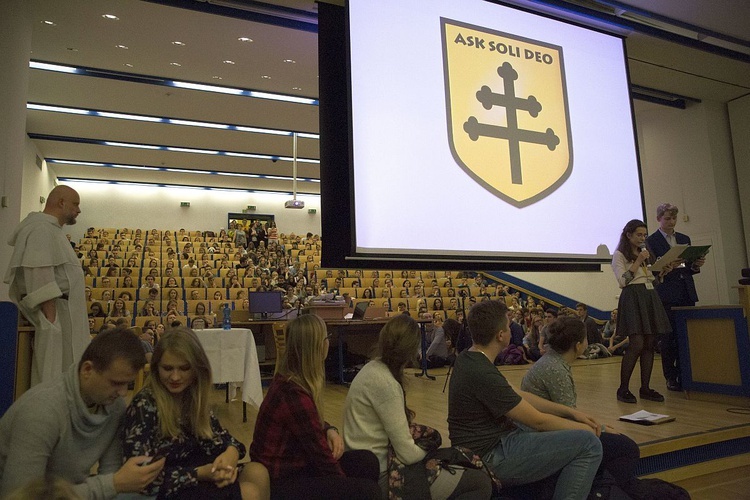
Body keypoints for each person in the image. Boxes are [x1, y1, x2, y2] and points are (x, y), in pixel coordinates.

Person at [448, 300, 602, 499]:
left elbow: (519, 395)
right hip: (488, 455)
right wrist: (590, 429)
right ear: (501, 335)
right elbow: (538, 420)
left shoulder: (470, 358)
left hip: (489, 445)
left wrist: (572, 413)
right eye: (508, 325)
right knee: (589, 443)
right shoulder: (481, 371)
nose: (511, 329)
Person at [0, 326, 163, 498]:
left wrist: (114, 484)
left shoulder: (114, 406)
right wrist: (113, 484)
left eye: (127, 384)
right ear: (87, 370)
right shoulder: (41, 410)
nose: (123, 393)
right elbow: (20, 496)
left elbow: (111, 475)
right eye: (116, 383)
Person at [343, 315, 491, 499]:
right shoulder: (385, 383)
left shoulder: (372, 368)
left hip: (367, 465)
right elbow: (407, 455)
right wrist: (429, 450)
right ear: (411, 348)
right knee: (479, 483)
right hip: (381, 473)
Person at [123, 328, 269, 499]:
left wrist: (231, 453)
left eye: (184, 368)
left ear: (196, 368)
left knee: (257, 472)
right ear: (156, 368)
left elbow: (224, 439)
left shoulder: (192, 396)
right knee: (250, 493)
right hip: (168, 486)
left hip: (200, 472)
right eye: (167, 368)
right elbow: (141, 478)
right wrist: (200, 473)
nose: (175, 377)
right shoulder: (144, 404)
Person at [250, 315, 380, 500]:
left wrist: (330, 430)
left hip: (294, 466)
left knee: (367, 461)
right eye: (326, 337)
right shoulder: (293, 393)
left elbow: (310, 425)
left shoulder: (292, 381)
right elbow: (322, 459)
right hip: (280, 481)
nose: (328, 341)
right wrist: (346, 487)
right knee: (367, 491)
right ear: (317, 346)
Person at [521, 317, 641, 494]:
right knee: (626, 448)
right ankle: (603, 492)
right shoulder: (555, 369)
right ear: (578, 345)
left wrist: (598, 426)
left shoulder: (552, 362)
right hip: (542, 435)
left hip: (544, 429)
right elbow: (567, 418)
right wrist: (600, 428)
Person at [4, 185, 90, 385]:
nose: (78, 210)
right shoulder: (41, 228)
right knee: (53, 375)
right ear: (61, 203)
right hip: (56, 315)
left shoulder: (52, 229)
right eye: (75, 204)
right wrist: (51, 319)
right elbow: (39, 272)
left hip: (64, 314)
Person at [646, 203, 706, 392]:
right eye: (667, 219)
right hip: (666, 293)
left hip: (686, 290)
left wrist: (696, 264)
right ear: (659, 219)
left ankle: (686, 373)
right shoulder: (652, 240)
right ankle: (670, 377)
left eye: (674, 218)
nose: (671, 222)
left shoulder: (683, 238)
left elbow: (689, 268)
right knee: (668, 337)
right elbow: (652, 269)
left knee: (686, 336)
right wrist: (666, 265)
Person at [612, 219, 673, 403]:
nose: (642, 238)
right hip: (632, 297)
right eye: (639, 234)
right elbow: (623, 281)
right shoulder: (619, 255)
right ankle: (623, 389)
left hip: (648, 296)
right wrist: (638, 260)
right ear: (628, 235)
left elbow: (650, 279)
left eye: (644, 235)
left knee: (649, 343)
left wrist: (662, 272)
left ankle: (645, 388)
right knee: (636, 343)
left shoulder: (646, 253)